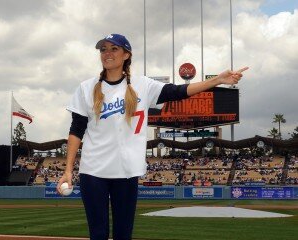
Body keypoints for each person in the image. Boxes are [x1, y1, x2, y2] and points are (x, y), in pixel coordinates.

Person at [57, 33, 248, 240]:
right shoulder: (86, 87)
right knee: (98, 233)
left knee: (123, 234)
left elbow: (179, 91)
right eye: (103, 49)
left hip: (127, 170)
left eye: (114, 49)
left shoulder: (142, 85)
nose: (107, 53)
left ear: (126, 54)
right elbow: (76, 130)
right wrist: (68, 170)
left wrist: (217, 80)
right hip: (93, 171)